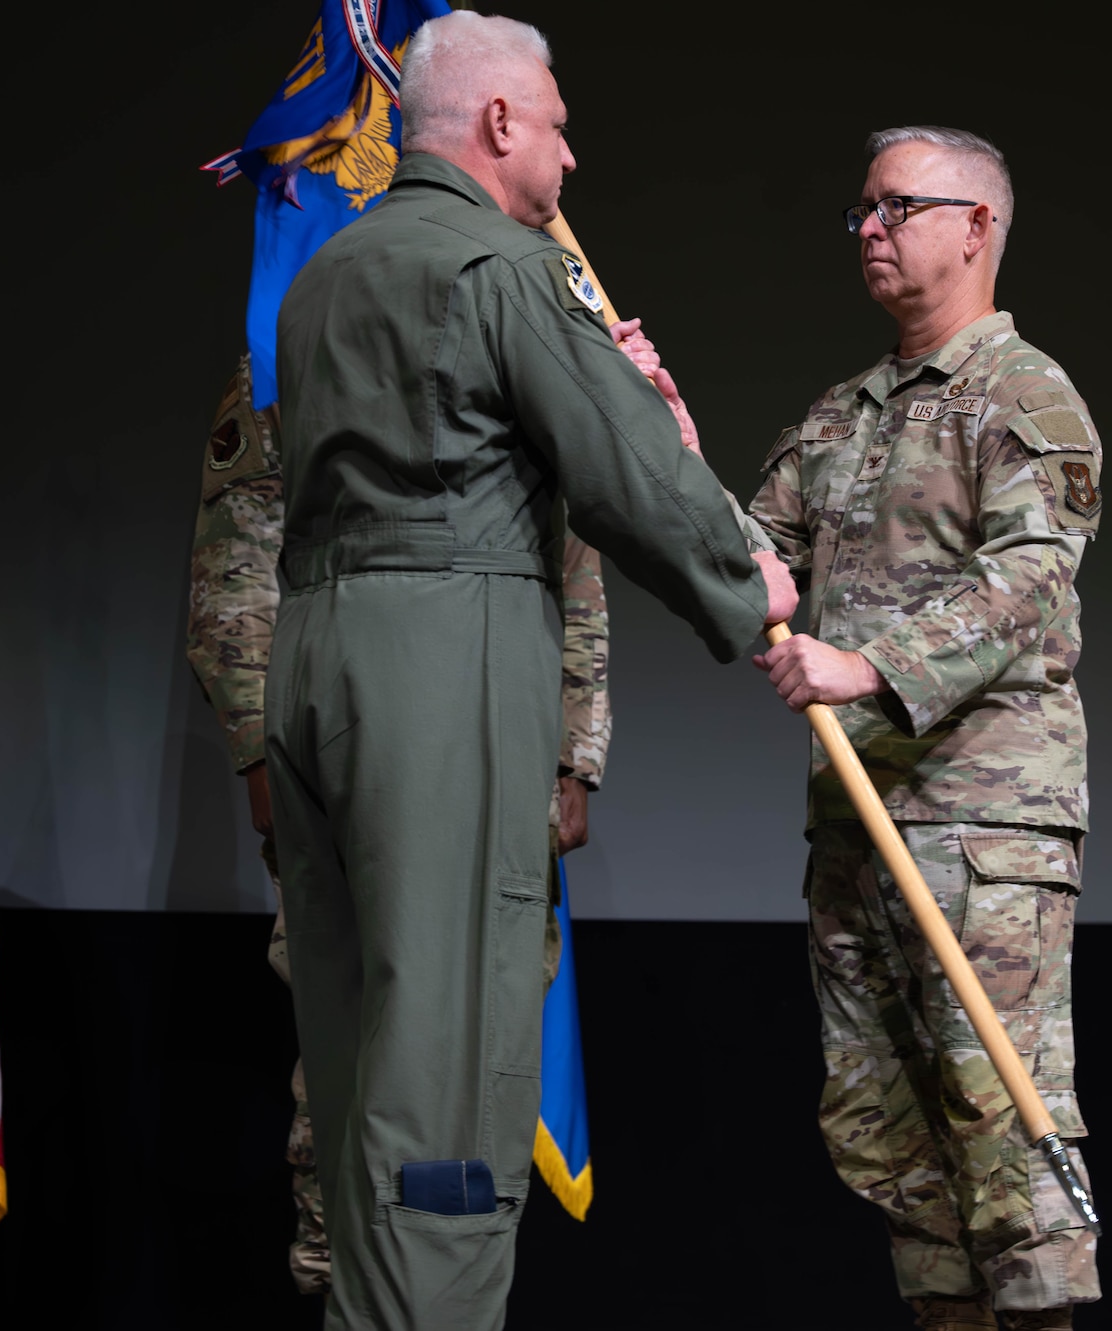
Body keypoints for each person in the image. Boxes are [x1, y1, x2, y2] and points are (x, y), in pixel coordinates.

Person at [263, 11, 796, 1329]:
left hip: (317, 654)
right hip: (443, 663)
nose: (570, 153)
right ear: (499, 123)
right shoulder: (504, 268)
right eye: (556, 123)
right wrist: (754, 581)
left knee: (358, 1052)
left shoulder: (330, 272)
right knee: (449, 1067)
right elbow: (627, 475)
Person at [748, 125, 1105, 1330]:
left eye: (895, 206)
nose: (868, 228)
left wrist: (867, 663)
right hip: (857, 821)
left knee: (1001, 1129)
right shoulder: (841, 415)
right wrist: (659, 436)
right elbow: (750, 560)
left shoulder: (1022, 394)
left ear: (975, 226)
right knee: (886, 1133)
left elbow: (1024, 582)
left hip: (979, 823)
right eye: (860, 209)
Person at [184, 357, 617, 1298]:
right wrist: (261, 750)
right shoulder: (284, 358)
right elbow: (237, 567)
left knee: (487, 1060)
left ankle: (448, 1293)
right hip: (349, 757)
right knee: (358, 1054)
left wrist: (573, 754)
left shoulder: (508, 350)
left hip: (496, 761)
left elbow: (571, 566)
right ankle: (344, 1279)